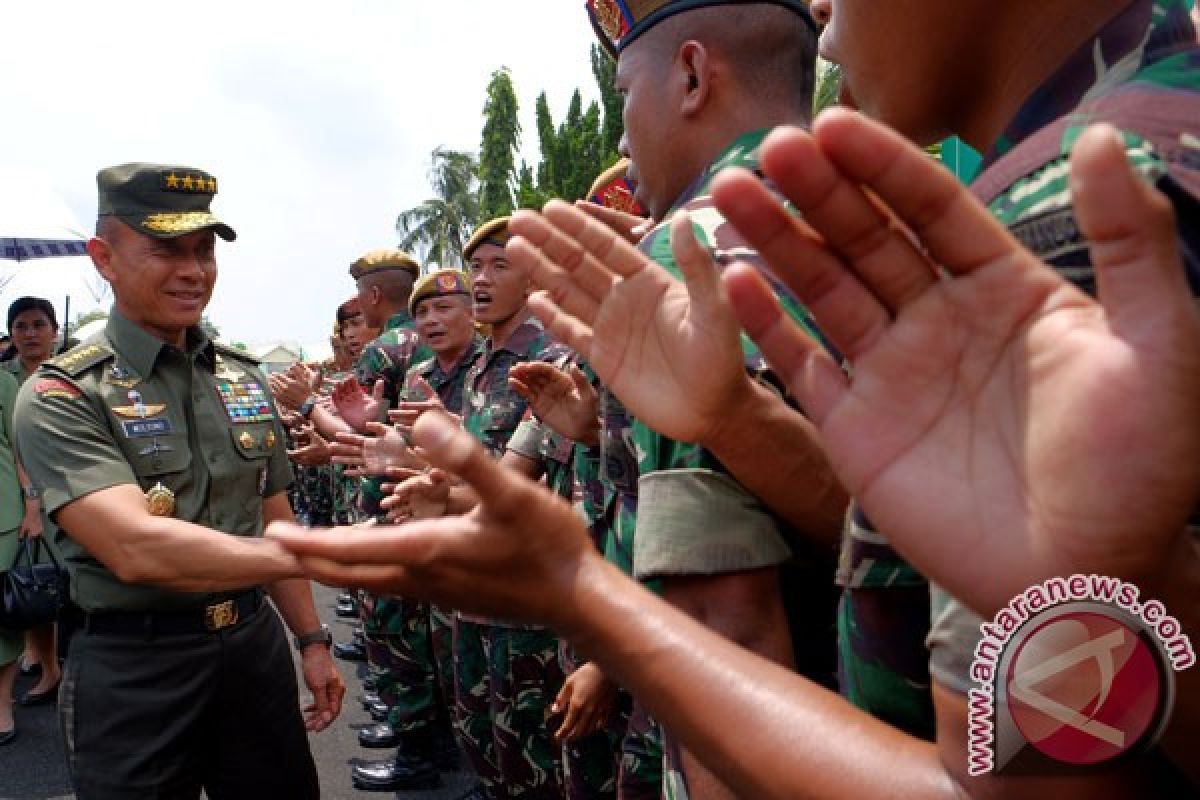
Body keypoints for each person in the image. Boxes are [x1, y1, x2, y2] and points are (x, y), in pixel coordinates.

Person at [273, 118, 1200, 800]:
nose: (828, 13)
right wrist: (1113, 583)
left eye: (630, 116)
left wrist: (580, 594)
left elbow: (1001, 772)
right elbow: (1044, 751)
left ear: (688, 79)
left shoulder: (1121, 187)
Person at [13, 162, 344, 799]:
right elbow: (136, 547)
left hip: (253, 649)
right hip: (136, 665)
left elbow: (272, 512)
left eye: (204, 250)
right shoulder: (63, 393)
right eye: (166, 250)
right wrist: (345, 553)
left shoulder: (242, 378)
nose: (194, 270)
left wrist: (312, 640)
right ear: (103, 258)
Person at [349, 268, 480, 792]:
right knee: (416, 644)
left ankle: (443, 755)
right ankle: (426, 749)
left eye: (445, 308)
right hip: (414, 525)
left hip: (466, 534)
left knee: (467, 669)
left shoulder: (487, 372)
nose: (431, 319)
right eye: (423, 310)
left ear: (473, 313)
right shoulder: (421, 373)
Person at [4, 296, 64, 706]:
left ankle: (61, 662)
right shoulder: (5, 377)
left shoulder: (73, 375)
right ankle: (47, 666)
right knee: (33, 576)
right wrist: (31, 501)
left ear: (54, 331)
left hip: (73, 488)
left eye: (38, 325)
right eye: (20, 325)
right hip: (26, 493)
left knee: (67, 580)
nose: (30, 333)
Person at [0, 367, 24, 746]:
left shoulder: (5, 382)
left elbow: (21, 448)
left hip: (2, 513)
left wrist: (33, 507)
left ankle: (2, 702)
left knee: (3, 616)